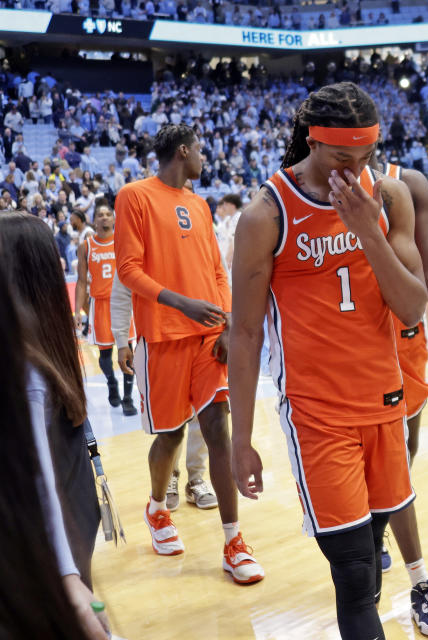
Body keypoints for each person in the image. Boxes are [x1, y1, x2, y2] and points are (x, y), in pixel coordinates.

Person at [229, 83, 426, 639]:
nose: (355, 168)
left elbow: (412, 309)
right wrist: (242, 439)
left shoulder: (387, 197)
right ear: (313, 142)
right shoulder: (266, 215)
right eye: (343, 157)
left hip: (386, 403)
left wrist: (368, 232)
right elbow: (243, 335)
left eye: (365, 156)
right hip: (318, 414)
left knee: (370, 558)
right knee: (355, 572)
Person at [114, 124, 264, 584]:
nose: (204, 158)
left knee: (219, 429)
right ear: (183, 151)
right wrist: (180, 302)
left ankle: (233, 541)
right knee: (172, 437)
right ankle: (157, 509)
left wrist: (226, 322)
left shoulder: (200, 206)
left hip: (206, 338)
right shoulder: (134, 196)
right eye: (199, 150)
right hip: (162, 337)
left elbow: (218, 270)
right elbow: (129, 269)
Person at [0, 211, 109, 639]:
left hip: (54, 552)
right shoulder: (40, 361)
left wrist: (68, 578)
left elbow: (41, 482)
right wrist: (72, 580)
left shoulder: (31, 369)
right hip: (58, 551)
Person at [377, 158, 428, 635]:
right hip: (351, 342)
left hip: (405, 336)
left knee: (404, 446)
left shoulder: (408, 182)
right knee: (382, 453)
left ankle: (383, 521)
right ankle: (417, 575)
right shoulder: (317, 181)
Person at [111, 274, 216, 511]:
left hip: (202, 334)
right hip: (162, 339)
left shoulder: (199, 236)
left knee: (205, 413)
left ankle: (196, 478)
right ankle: (170, 475)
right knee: (172, 420)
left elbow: (217, 275)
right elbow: (122, 288)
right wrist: (121, 340)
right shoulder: (137, 238)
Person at [75, 202, 137, 416]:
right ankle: (111, 382)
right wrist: (77, 312)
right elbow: (82, 282)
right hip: (100, 304)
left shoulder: (123, 241)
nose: (103, 217)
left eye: (107, 214)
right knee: (104, 354)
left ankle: (128, 397)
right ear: (94, 219)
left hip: (124, 302)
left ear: (113, 219)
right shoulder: (86, 246)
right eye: (99, 214)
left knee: (128, 349)